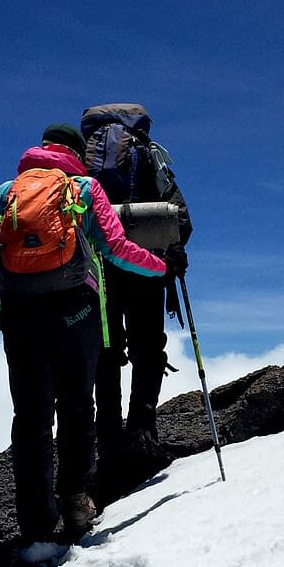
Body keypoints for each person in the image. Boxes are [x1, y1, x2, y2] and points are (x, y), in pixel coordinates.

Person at [0, 123, 166, 546]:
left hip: (20, 314)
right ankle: (77, 505)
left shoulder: (6, 190)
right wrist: (159, 266)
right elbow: (116, 249)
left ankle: (35, 521)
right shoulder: (83, 188)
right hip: (75, 312)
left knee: (30, 417)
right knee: (78, 406)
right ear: (78, 153)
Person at [78, 104, 192, 478]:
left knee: (106, 351)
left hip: (98, 271)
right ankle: (142, 430)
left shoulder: (81, 164)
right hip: (147, 267)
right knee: (147, 347)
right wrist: (169, 252)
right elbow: (181, 218)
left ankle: (107, 440)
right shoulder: (148, 154)